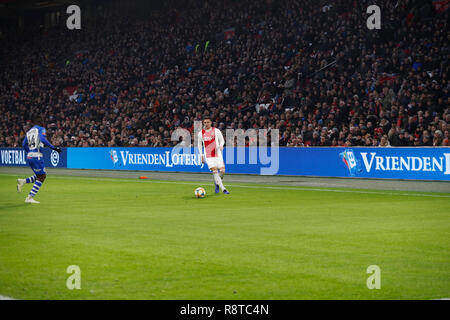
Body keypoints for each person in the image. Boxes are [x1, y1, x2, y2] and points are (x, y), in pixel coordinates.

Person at [16, 116, 61, 203]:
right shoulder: (41, 129)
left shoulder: (29, 132)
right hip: (37, 155)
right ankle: (29, 198)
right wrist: (54, 148)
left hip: (29, 156)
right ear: (41, 122)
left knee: (39, 175)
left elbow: (23, 144)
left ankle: (23, 181)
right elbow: (43, 139)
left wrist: (30, 152)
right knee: (42, 177)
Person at [197, 117, 229, 194]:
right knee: (215, 171)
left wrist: (221, 145)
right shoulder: (201, 133)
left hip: (217, 154)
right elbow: (199, 145)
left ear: (211, 122)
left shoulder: (216, 131)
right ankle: (223, 189)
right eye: (205, 122)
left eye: (208, 122)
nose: (206, 124)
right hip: (208, 156)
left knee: (222, 171)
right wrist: (201, 156)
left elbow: (222, 140)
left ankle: (217, 181)